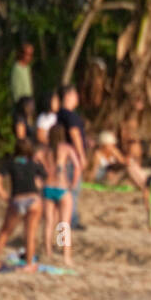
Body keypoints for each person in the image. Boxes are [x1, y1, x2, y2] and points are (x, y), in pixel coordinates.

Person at [0, 137, 43, 272]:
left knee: (5, 232)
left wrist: (4, 196)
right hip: (34, 200)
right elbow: (42, 178)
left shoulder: (10, 163)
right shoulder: (34, 163)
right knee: (30, 234)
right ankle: (29, 264)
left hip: (17, 199)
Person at [37, 126, 76, 266]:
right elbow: (77, 165)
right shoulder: (66, 148)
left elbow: (35, 162)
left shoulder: (44, 150)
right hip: (62, 186)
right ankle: (66, 256)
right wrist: (74, 182)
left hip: (48, 187)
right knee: (64, 223)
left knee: (48, 223)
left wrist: (39, 181)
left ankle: (48, 252)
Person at [57, 85, 88, 230]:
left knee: (64, 188)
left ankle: (65, 219)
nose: (78, 97)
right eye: (75, 94)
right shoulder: (71, 115)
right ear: (68, 95)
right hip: (71, 157)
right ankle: (71, 220)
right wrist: (81, 155)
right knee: (73, 189)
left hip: (60, 157)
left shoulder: (59, 114)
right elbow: (75, 134)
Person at [9, 43, 35, 117]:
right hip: (21, 104)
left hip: (29, 102)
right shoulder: (17, 68)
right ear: (21, 54)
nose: (29, 57)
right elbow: (15, 88)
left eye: (31, 54)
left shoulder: (27, 68)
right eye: (27, 54)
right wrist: (20, 104)